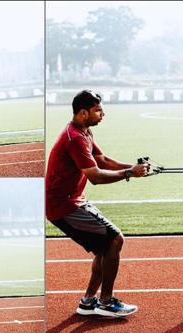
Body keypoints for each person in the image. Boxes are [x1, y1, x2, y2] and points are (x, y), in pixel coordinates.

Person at [45, 90, 150, 318]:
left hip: (73, 201)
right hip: (63, 206)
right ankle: (105, 302)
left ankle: (88, 301)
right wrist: (129, 173)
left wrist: (133, 168)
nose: (103, 114)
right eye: (98, 110)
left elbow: (103, 160)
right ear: (83, 113)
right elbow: (96, 176)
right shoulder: (74, 138)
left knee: (107, 245)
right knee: (114, 239)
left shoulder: (84, 131)